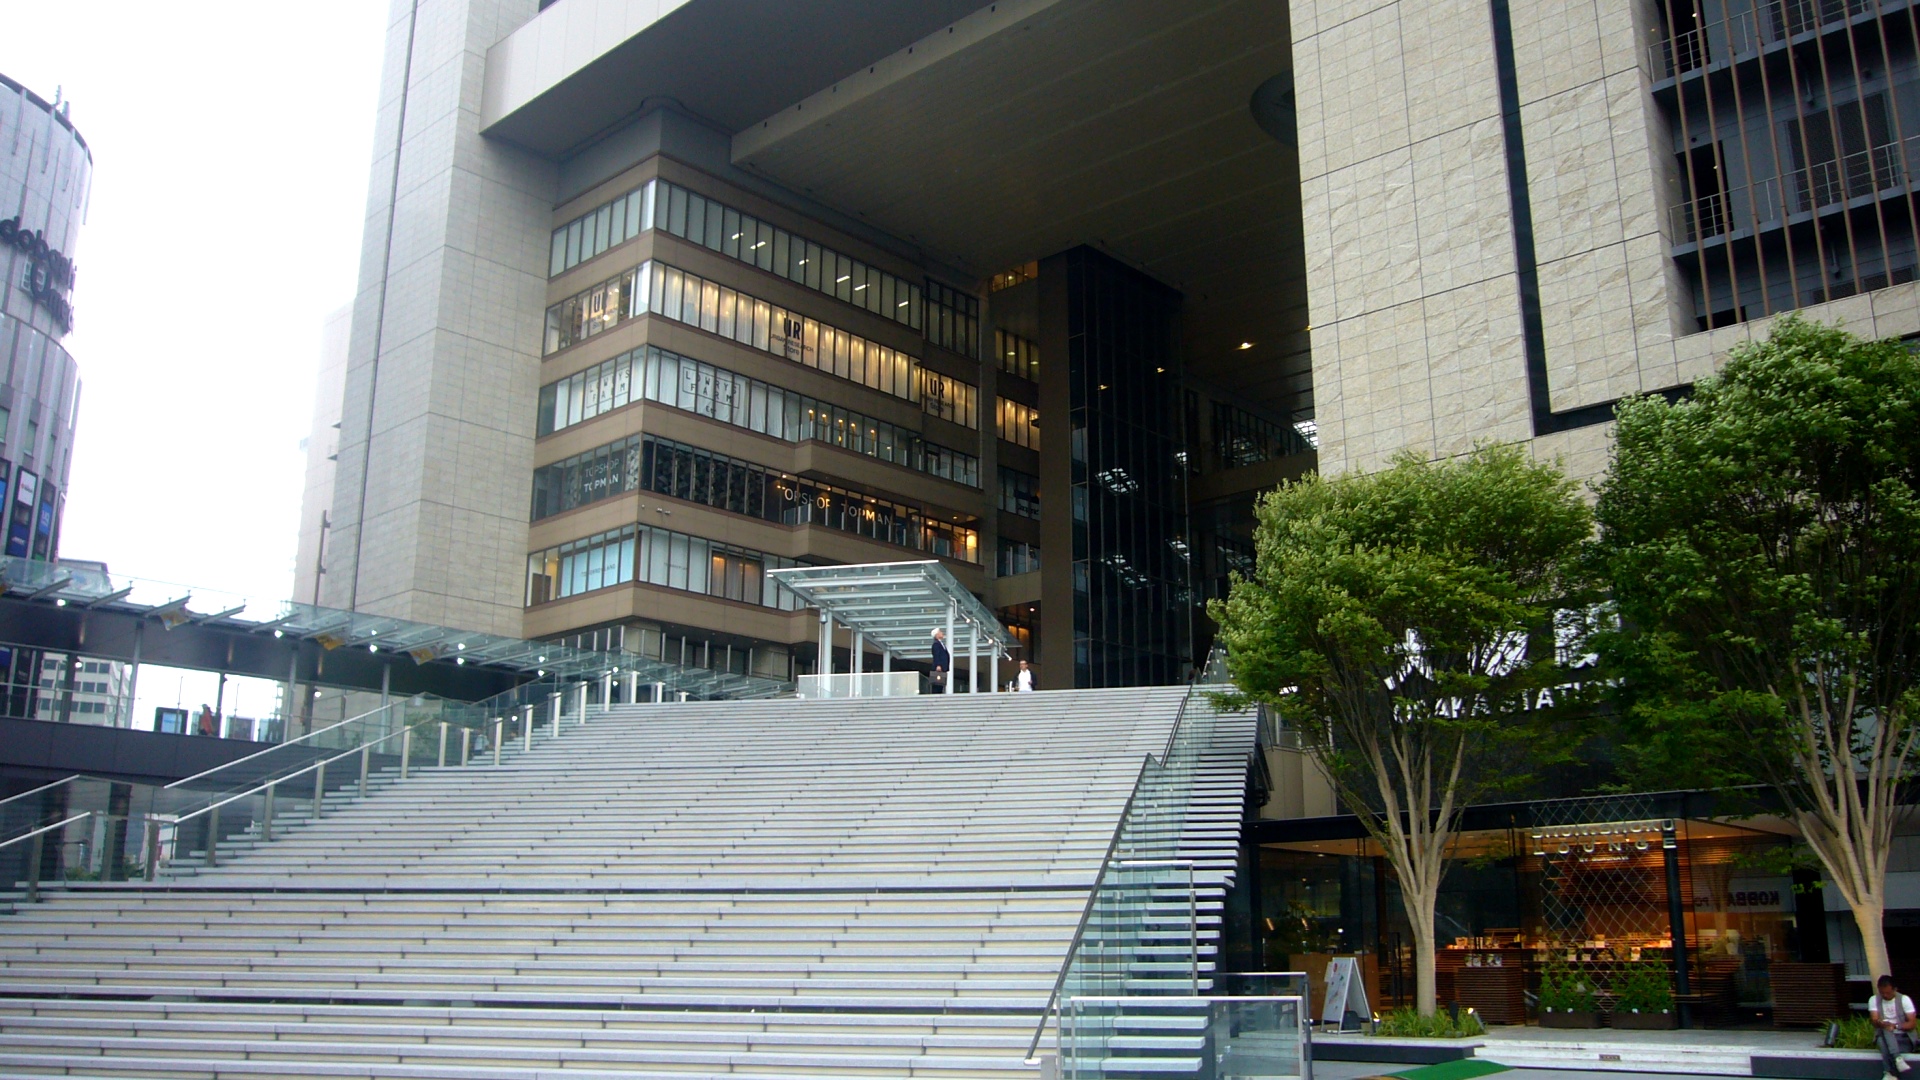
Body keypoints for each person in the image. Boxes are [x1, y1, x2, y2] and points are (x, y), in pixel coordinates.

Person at [1871, 974, 1915, 1079]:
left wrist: (1895, 1026)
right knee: (1884, 1031)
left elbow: (1912, 1024)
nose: (1885, 995)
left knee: (1884, 1044)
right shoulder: (1874, 1000)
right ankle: (1897, 1058)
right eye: (1882, 993)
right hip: (1884, 1035)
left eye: (1888, 993)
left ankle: (1889, 1073)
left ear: (1895, 989)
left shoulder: (1904, 999)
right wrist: (1880, 1023)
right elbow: (1874, 1020)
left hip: (1903, 1037)